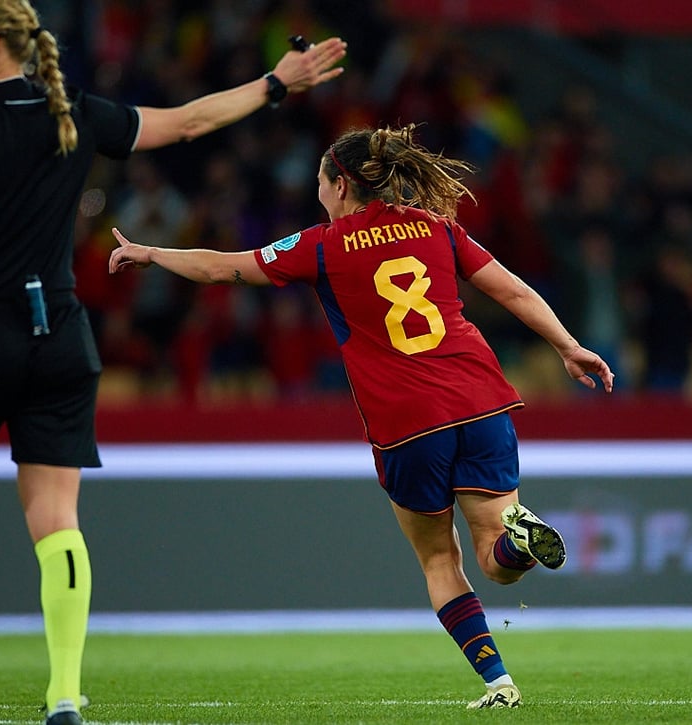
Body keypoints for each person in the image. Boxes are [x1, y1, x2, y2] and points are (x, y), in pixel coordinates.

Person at [0, 2, 346, 724]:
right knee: (56, 516)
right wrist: (275, 83)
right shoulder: (72, 112)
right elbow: (187, 122)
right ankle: (65, 696)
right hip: (60, 335)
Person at [108, 124, 615, 708]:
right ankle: (519, 540)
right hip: (480, 399)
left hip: (408, 419)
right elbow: (515, 292)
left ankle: (498, 681)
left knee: (439, 558)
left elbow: (225, 267)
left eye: (321, 182)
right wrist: (567, 346)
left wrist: (152, 253)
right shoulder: (437, 227)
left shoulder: (322, 245)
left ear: (341, 184)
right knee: (496, 560)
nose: (318, 192)